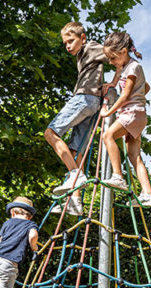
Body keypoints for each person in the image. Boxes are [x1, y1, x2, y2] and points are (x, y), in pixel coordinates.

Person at [46, 21, 110, 216]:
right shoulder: (83, 54)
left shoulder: (90, 46)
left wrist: (115, 82)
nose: (68, 46)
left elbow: (115, 53)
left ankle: (75, 175)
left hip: (83, 98)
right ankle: (75, 200)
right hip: (93, 105)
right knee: (75, 151)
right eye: (65, 43)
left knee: (50, 133)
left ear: (82, 38)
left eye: (71, 41)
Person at [100, 31, 151, 208]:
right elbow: (145, 86)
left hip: (131, 113)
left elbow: (124, 95)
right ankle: (148, 194)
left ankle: (118, 176)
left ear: (124, 51)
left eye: (112, 58)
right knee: (134, 156)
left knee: (108, 136)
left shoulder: (133, 68)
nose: (111, 62)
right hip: (138, 115)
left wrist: (108, 113)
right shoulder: (126, 66)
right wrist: (112, 83)